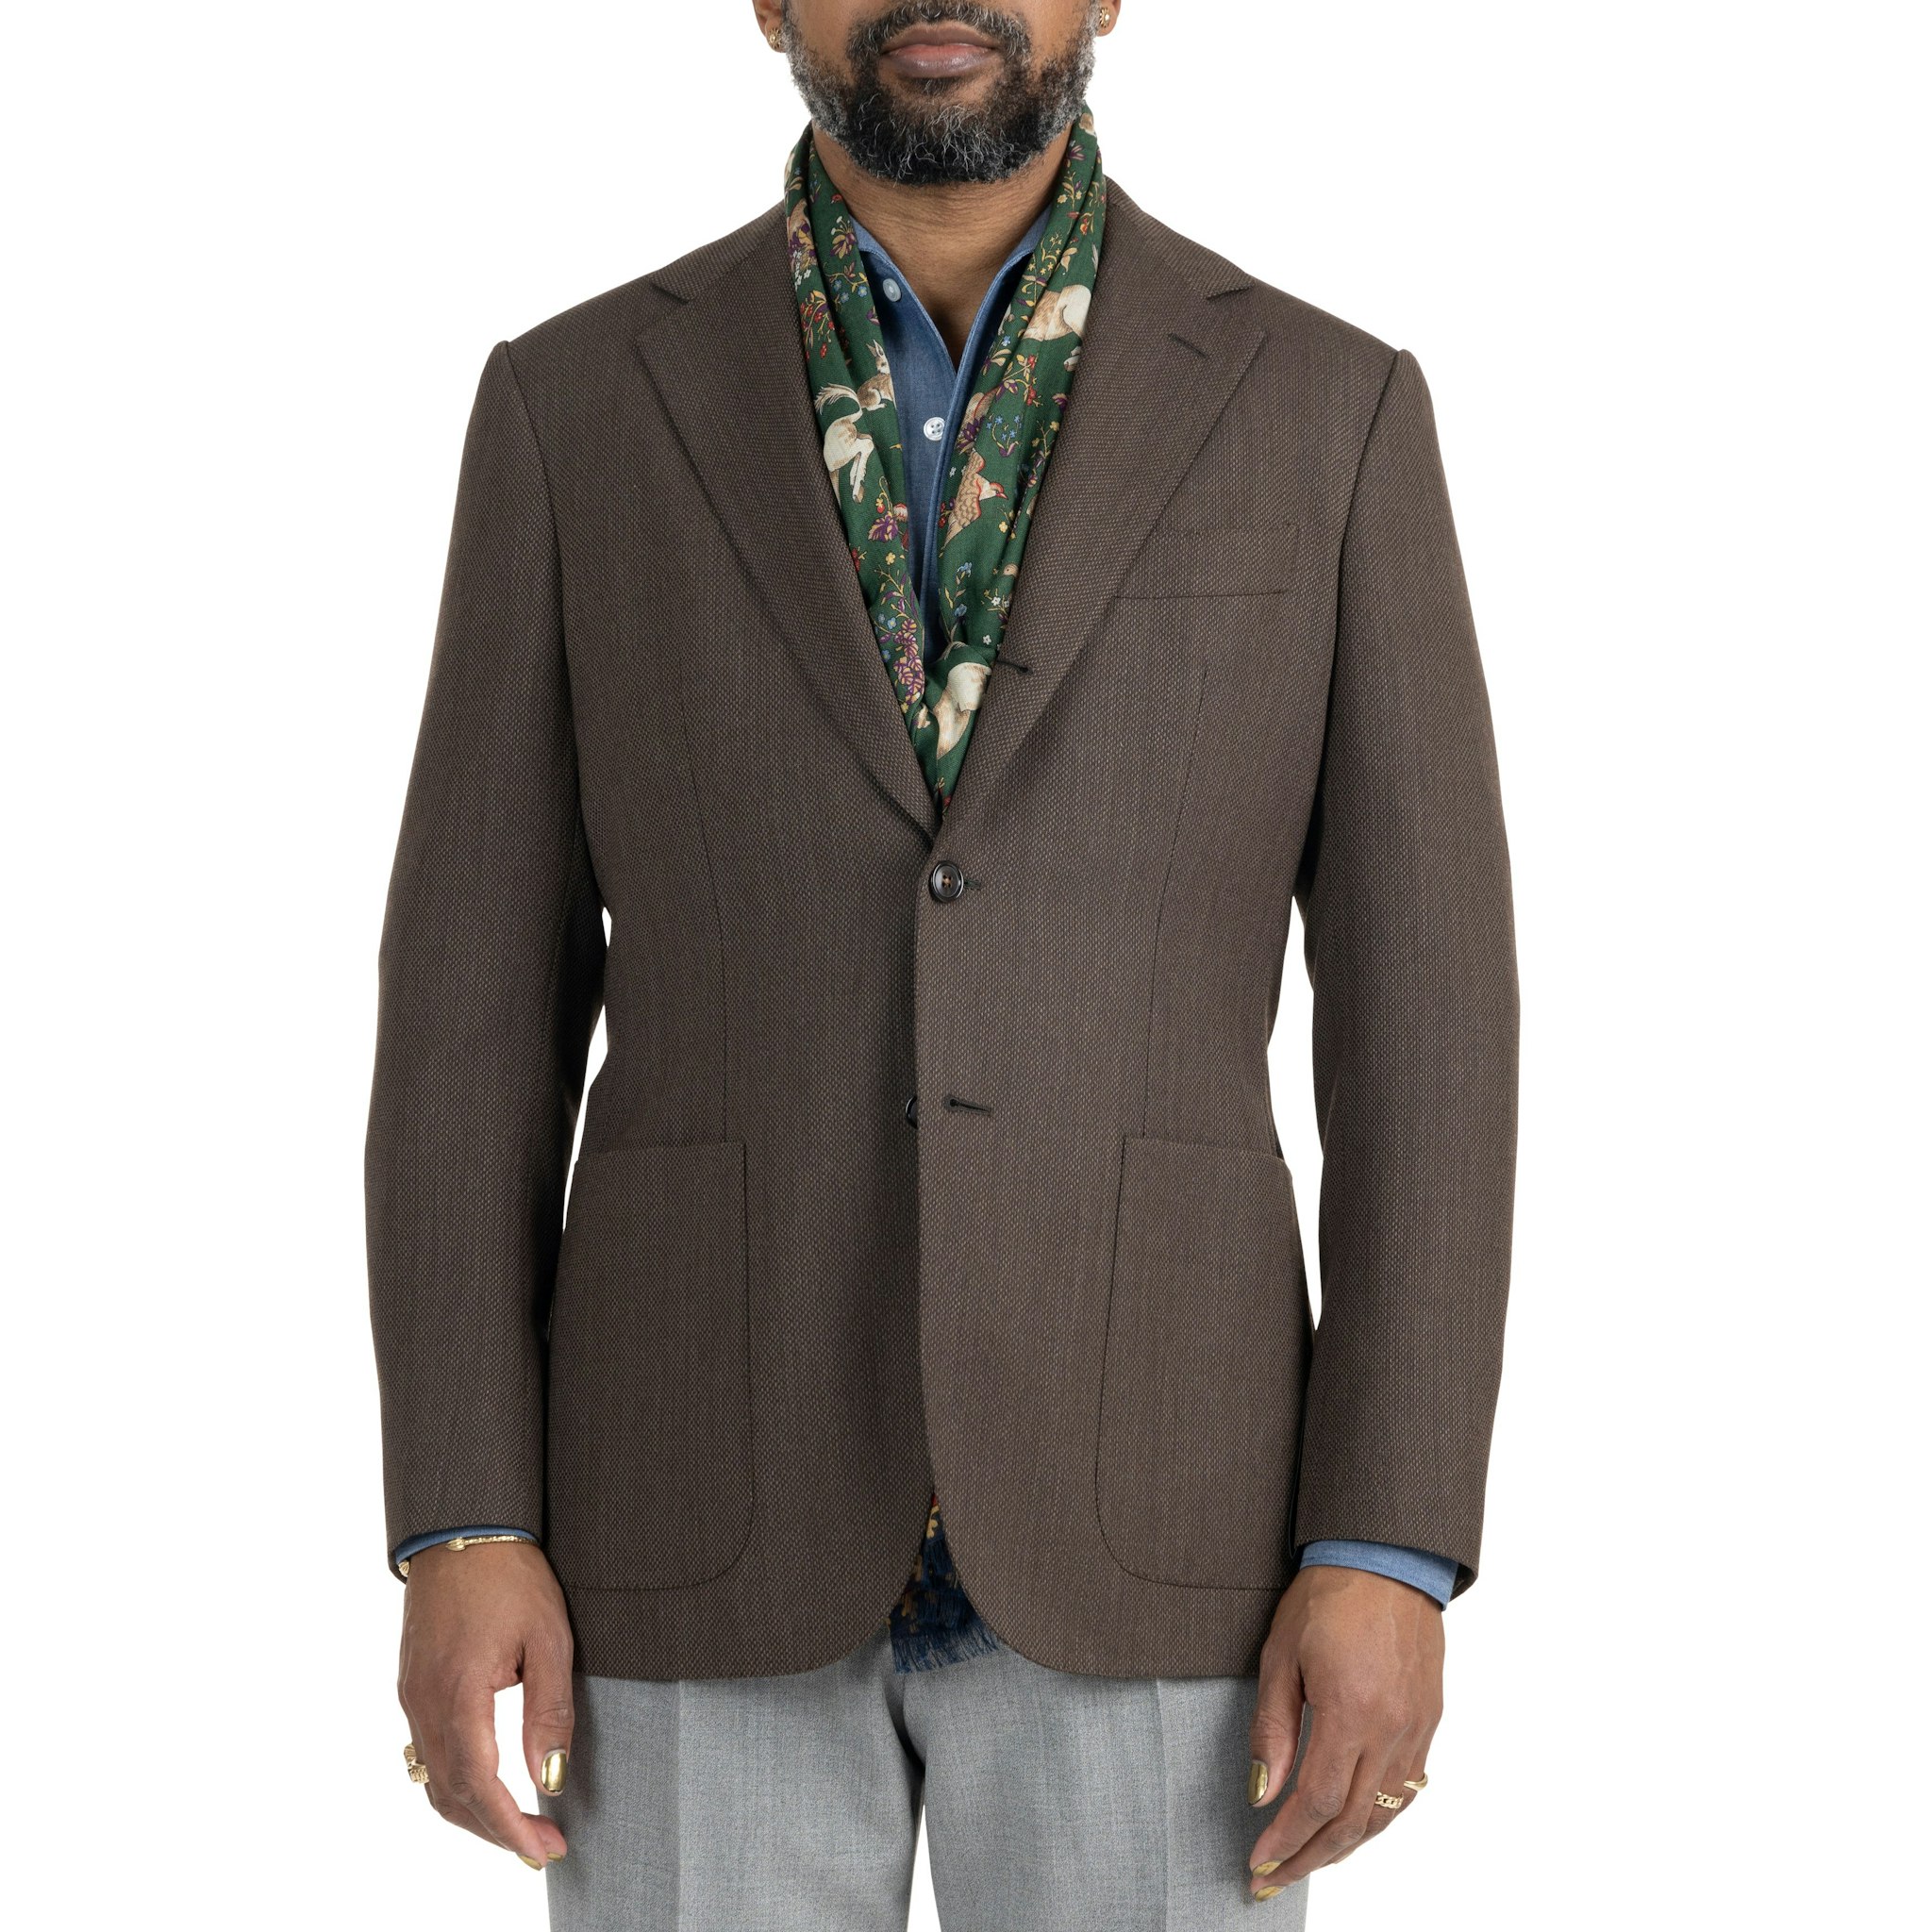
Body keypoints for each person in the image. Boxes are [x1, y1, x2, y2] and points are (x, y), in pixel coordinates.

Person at [365, 4, 1519, 1925]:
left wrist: (1387, 1540)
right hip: (679, 1511)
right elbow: (468, 1013)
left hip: (1173, 1521)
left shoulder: (1331, 406)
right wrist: (460, 1513)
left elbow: (1434, 1029)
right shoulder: (577, 404)